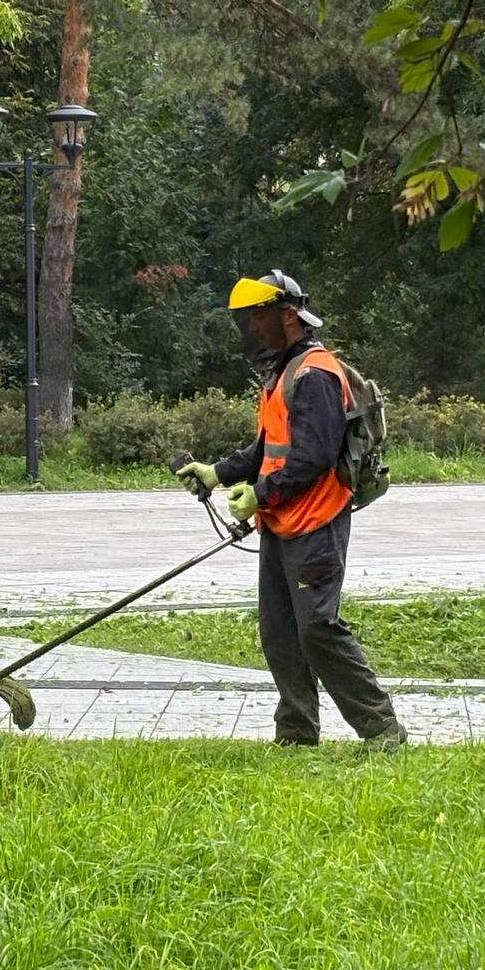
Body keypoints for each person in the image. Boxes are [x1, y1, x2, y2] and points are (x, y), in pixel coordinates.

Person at [176, 271, 408, 749]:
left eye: (259, 317)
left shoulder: (315, 374)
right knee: (280, 632)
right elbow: (268, 448)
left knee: (318, 629)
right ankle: (297, 734)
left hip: (317, 522)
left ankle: (382, 729)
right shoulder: (281, 373)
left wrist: (261, 494)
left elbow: (313, 456)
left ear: (289, 316)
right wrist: (217, 472)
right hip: (282, 523)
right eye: (247, 320)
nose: (252, 328)